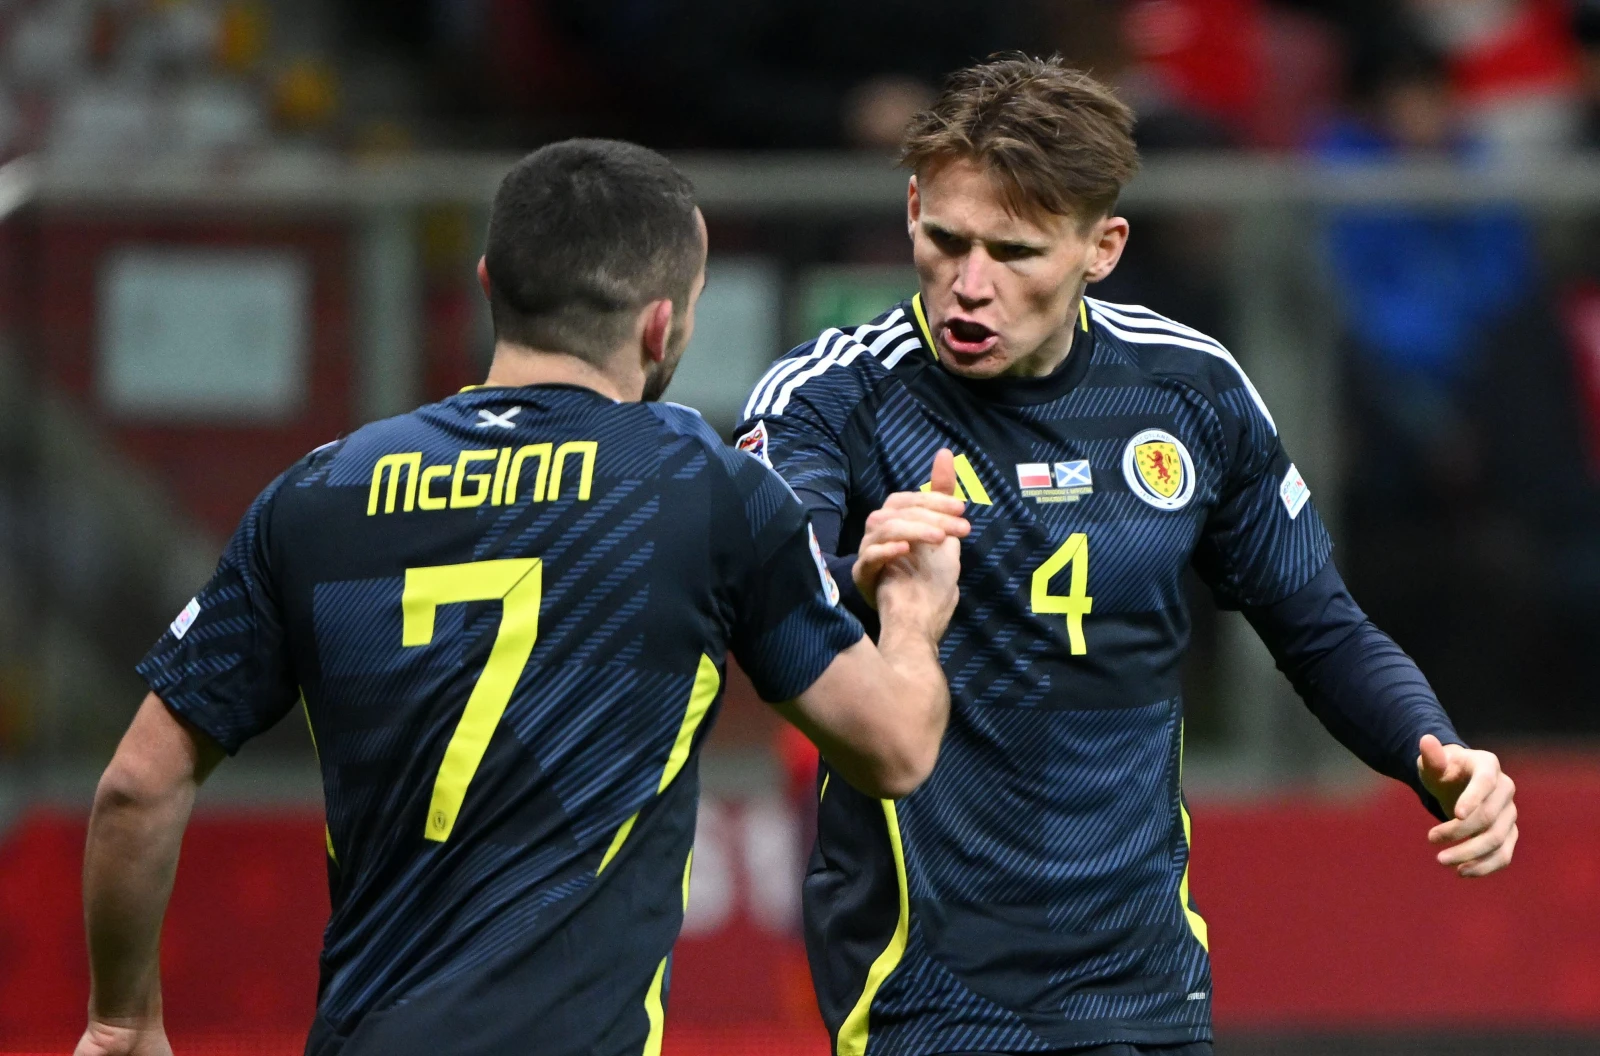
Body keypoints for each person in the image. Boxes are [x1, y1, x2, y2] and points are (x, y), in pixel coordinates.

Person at [74, 139, 971, 1056]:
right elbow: (893, 749)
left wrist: (121, 1019)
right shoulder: (700, 487)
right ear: (662, 326)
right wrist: (913, 608)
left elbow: (137, 788)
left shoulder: (319, 492)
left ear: (486, 282)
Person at [735, 56, 1519, 1056]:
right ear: (911, 211)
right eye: (945, 241)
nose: (969, 286)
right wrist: (861, 574)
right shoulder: (831, 396)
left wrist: (1434, 752)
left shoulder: (1189, 388)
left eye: (1015, 252)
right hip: (927, 992)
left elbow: (1316, 625)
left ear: (1100, 247)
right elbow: (765, 587)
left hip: (1147, 985)